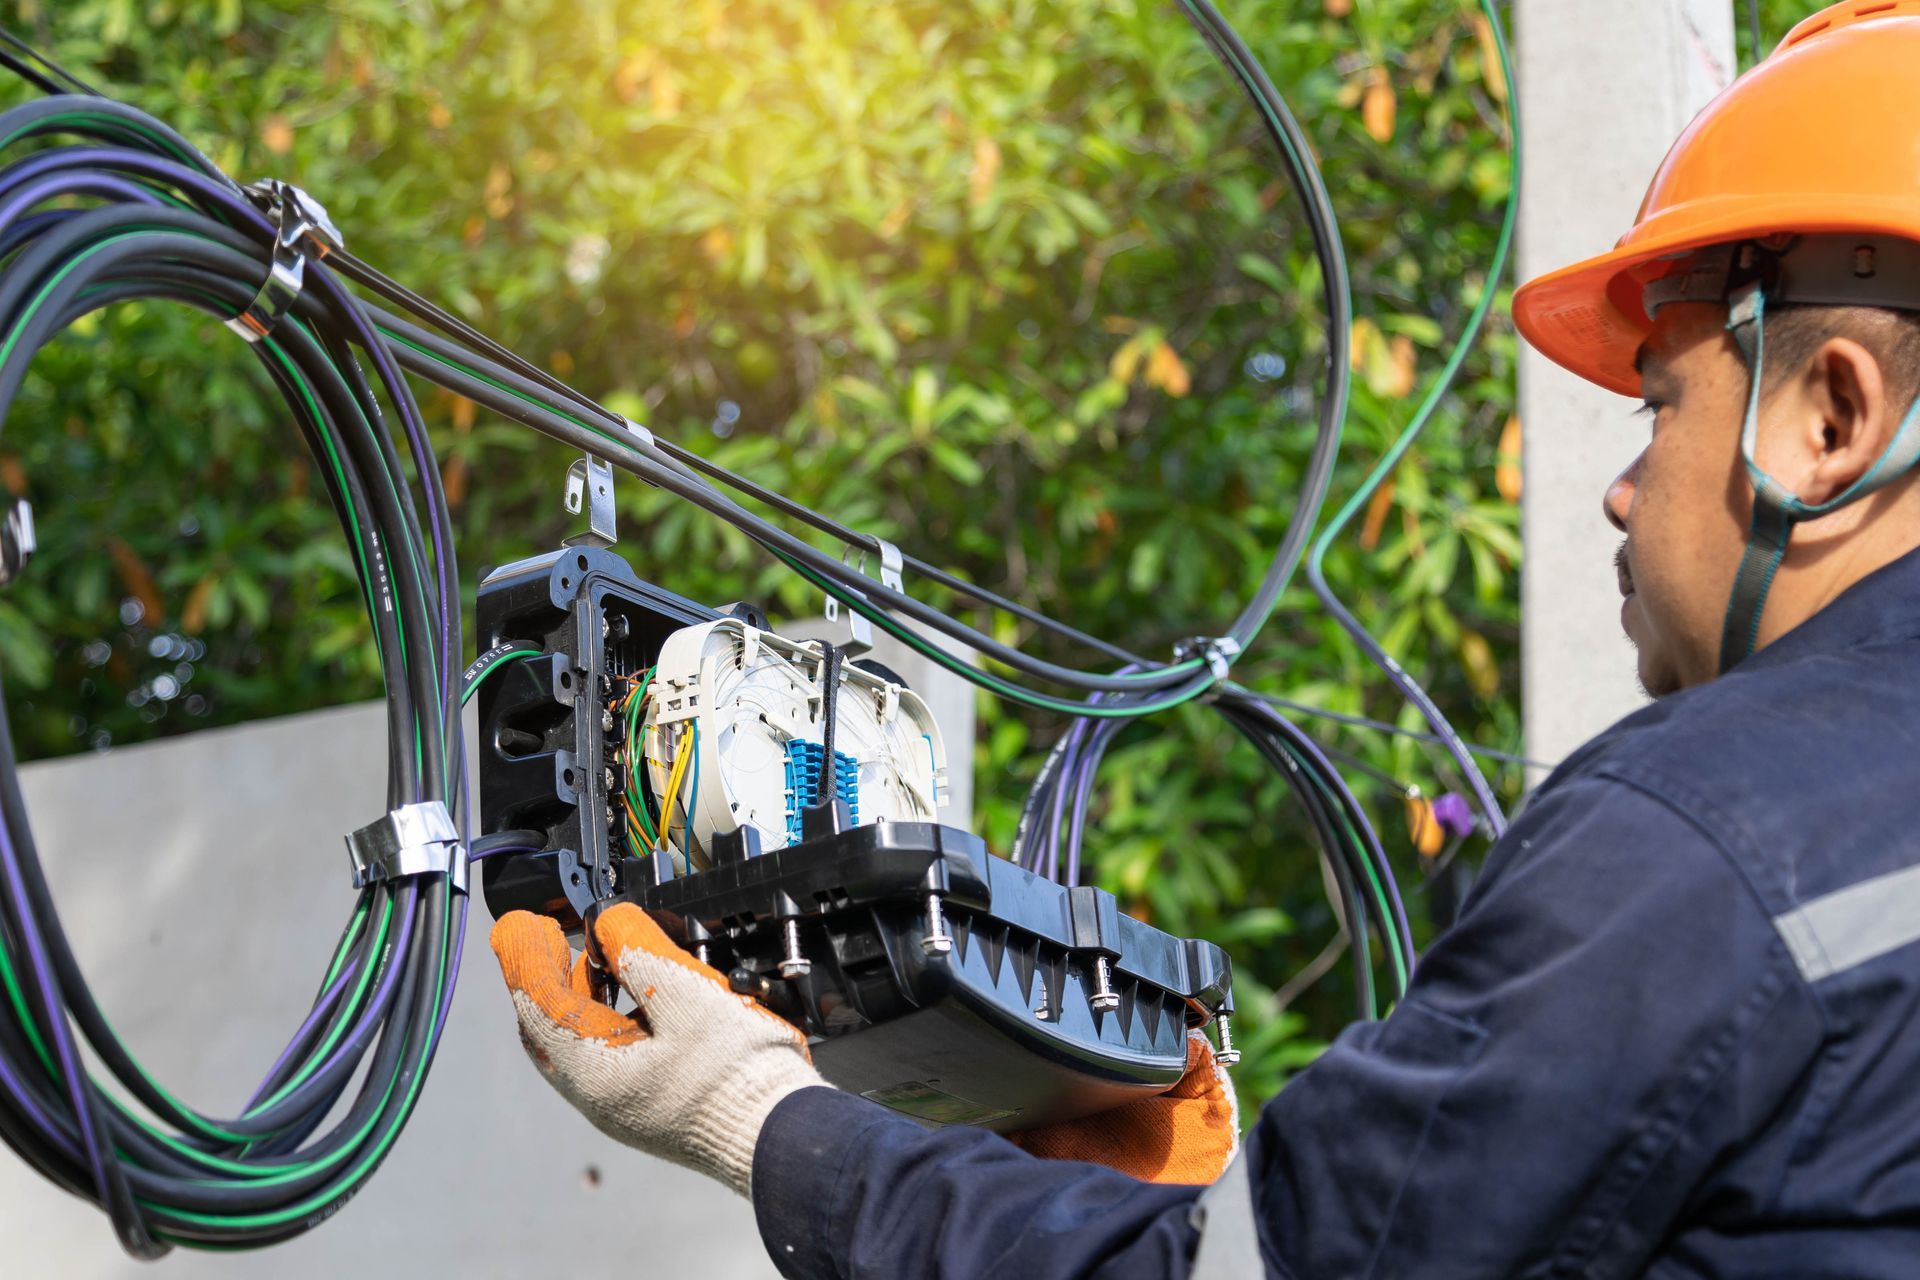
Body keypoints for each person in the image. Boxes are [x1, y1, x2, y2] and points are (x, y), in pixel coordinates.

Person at [490, 4, 1920, 1274]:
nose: (1623, 482)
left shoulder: (1695, 844)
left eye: (1657, 404)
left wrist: (764, 1120)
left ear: (1833, 419)